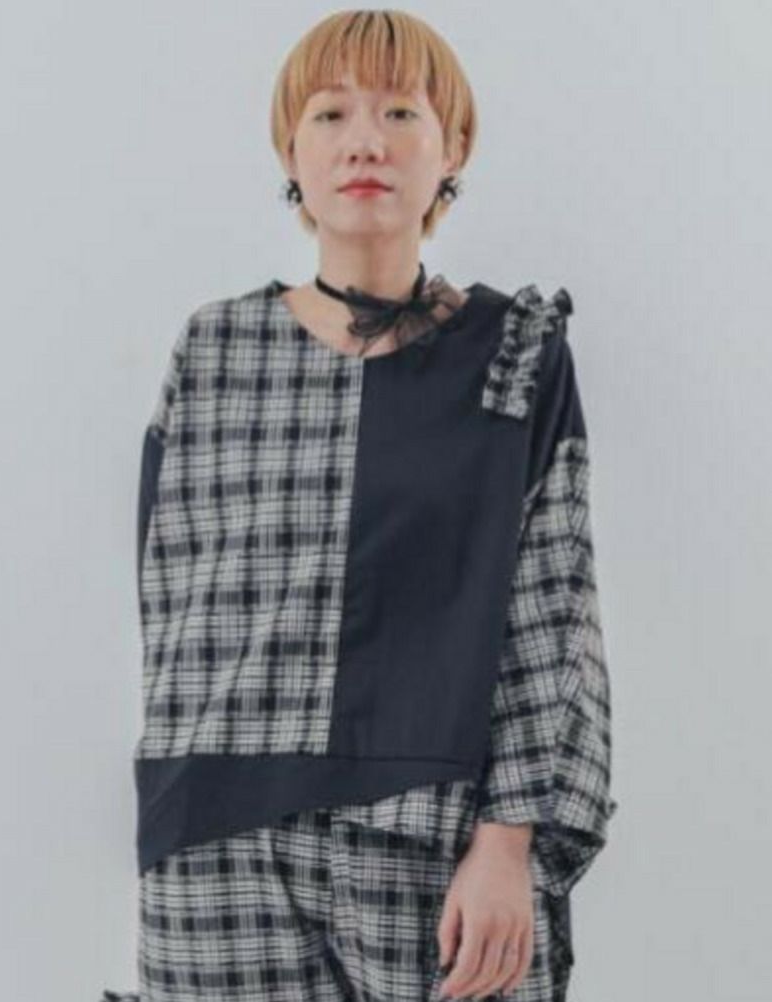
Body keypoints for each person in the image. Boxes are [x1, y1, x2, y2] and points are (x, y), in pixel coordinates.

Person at [102, 9, 617, 1002]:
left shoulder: (514, 355)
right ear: (290, 152)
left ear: (452, 149)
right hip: (216, 842)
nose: (365, 142)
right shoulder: (214, 352)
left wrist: (508, 842)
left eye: (399, 112)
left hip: (433, 834)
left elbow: (554, 614)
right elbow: (168, 610)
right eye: (331, 114)